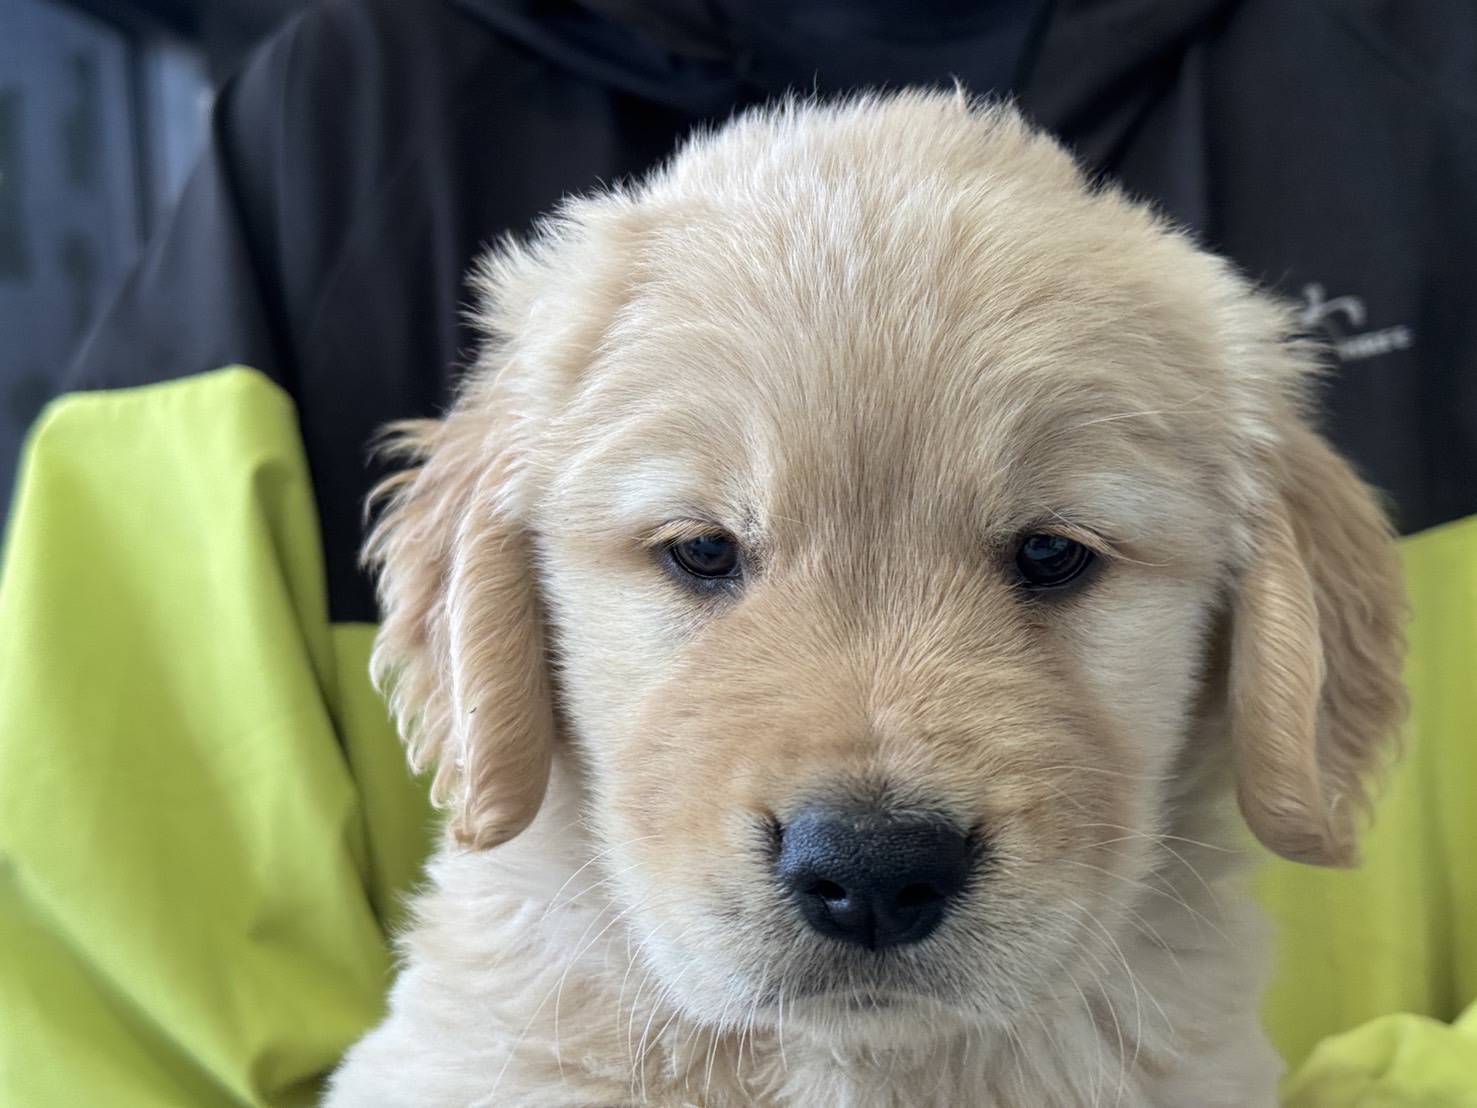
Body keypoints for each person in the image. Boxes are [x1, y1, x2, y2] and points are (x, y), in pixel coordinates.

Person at [1, 1, 1474, 1103]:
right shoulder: (340, 118)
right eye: (701, 555)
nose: (873, 807)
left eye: (1051, 559)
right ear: (502, 587)